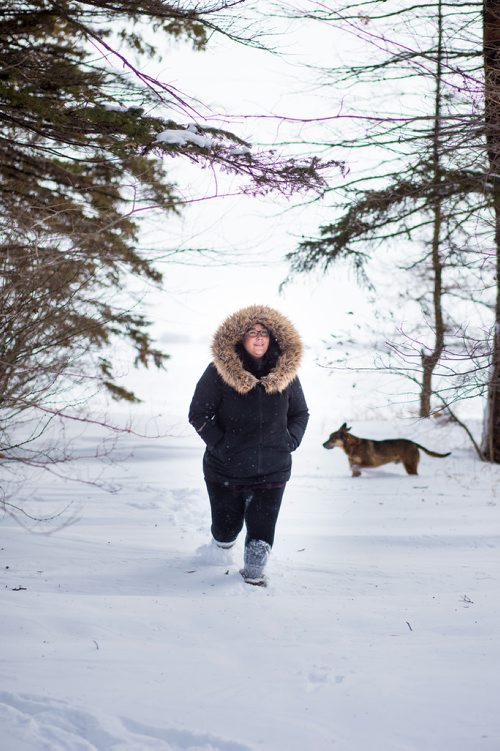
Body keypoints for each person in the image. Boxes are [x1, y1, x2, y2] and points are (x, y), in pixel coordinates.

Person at [188, 304, 309, 586]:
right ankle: (219, 551)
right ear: (240, 338)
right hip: (225, 471)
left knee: (262, 528)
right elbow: (198, 413)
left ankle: (254, 577)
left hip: (273, 469)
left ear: (273, 338)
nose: (258, 338)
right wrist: (222, 445)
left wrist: (289, 441)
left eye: (264, 333)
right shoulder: (217, 372)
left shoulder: (286, 374)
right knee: (226, 528)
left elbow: (300, 413)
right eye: (252, 333)